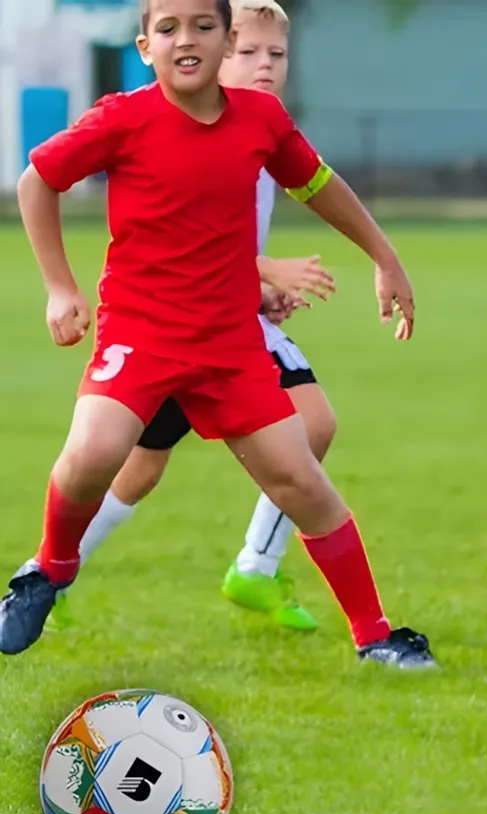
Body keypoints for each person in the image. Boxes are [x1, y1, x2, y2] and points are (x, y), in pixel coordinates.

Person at [0, 0, 435, 669]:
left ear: (226, 37)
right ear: (146, 46)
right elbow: (38, 181)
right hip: (141, 335)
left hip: (230, 348)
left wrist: (386, 257)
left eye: (203, 26)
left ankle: (375, 636)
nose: (186, 40)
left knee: (301, 480)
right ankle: (48, 572)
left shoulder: (261, 121)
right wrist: (61, 287)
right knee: (95, 452)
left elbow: (318, 186)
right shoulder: (124, 117)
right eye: (168, 29)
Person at [63, 0, 338, 634]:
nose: (264, 66)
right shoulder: (190, 122)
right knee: (144, 464)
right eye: (248, 53)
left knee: (146, 465)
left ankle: (51, 573)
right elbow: (187, 239)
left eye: (277, 54)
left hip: (227, 318)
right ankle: (251, 566)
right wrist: (269, 272)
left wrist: (258, 284)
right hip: (179, 325)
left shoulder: (261, 126)